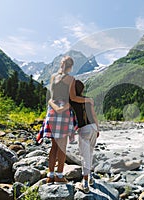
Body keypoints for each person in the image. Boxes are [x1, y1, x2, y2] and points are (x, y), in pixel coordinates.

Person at [37, 56, 93, 184]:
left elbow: (51, 98)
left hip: (51, 112)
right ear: (71, 67)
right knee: (62, 147)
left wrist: (55, 108)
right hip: (64, 112)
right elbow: (73, 98)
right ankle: (60, 176)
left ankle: (50, 175)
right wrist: (87, 100)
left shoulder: (53, 77)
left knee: (54, 146)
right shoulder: (71, 79)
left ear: (61, 64)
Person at [70, 80, 99, 193]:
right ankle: (90, 177)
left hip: (84, 128)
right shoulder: (88, 100)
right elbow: (94, 115)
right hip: (93, 127)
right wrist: (98, 128)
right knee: (90, 154)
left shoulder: (72, 100)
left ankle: (85, 182)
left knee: (84, 156)